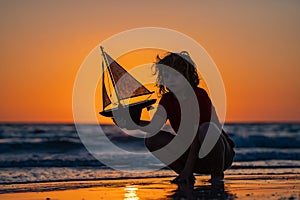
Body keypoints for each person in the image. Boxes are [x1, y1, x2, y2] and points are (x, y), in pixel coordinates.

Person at [113, 51, 235, 187]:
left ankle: (216, 176)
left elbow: (197, 135)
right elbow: (153, 127)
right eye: (166, 76)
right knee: (152, 139)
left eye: (175, 75)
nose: (169, 80)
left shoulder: (198, 95)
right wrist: (133, 123)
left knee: (206, 128)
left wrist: (189, 169)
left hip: (220, 155)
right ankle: (185, 175)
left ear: (187, 76)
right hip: (193, 156)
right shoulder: (166, 100)